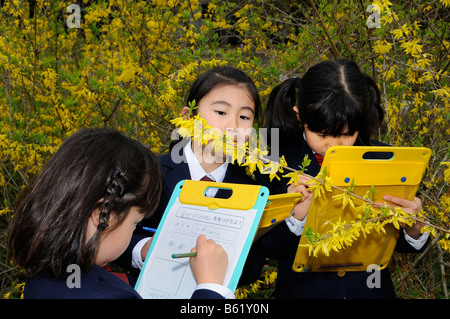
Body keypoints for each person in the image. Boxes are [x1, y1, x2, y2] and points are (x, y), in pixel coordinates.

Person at [243, 59, 429, 298]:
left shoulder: (383, 160)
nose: (334, 144)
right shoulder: (273, 162)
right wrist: (295, 216)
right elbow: (266, 248)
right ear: (300, 115)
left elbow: (396, 244)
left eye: (346, 134)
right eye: (321, 134)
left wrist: (413, 228)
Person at [8, 128, 230, 299]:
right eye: (135, 223)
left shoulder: (47, 269)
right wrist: (210, 287)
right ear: (102, 215)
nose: (134, 229)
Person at [118, 66, 262, 289]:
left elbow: (252, 269)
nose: (233, 127)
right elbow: (112, 236)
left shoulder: (251, 190)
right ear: (189, 117)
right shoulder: (151, 173)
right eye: (221, 112)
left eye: (244, 117)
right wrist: (145, 249)